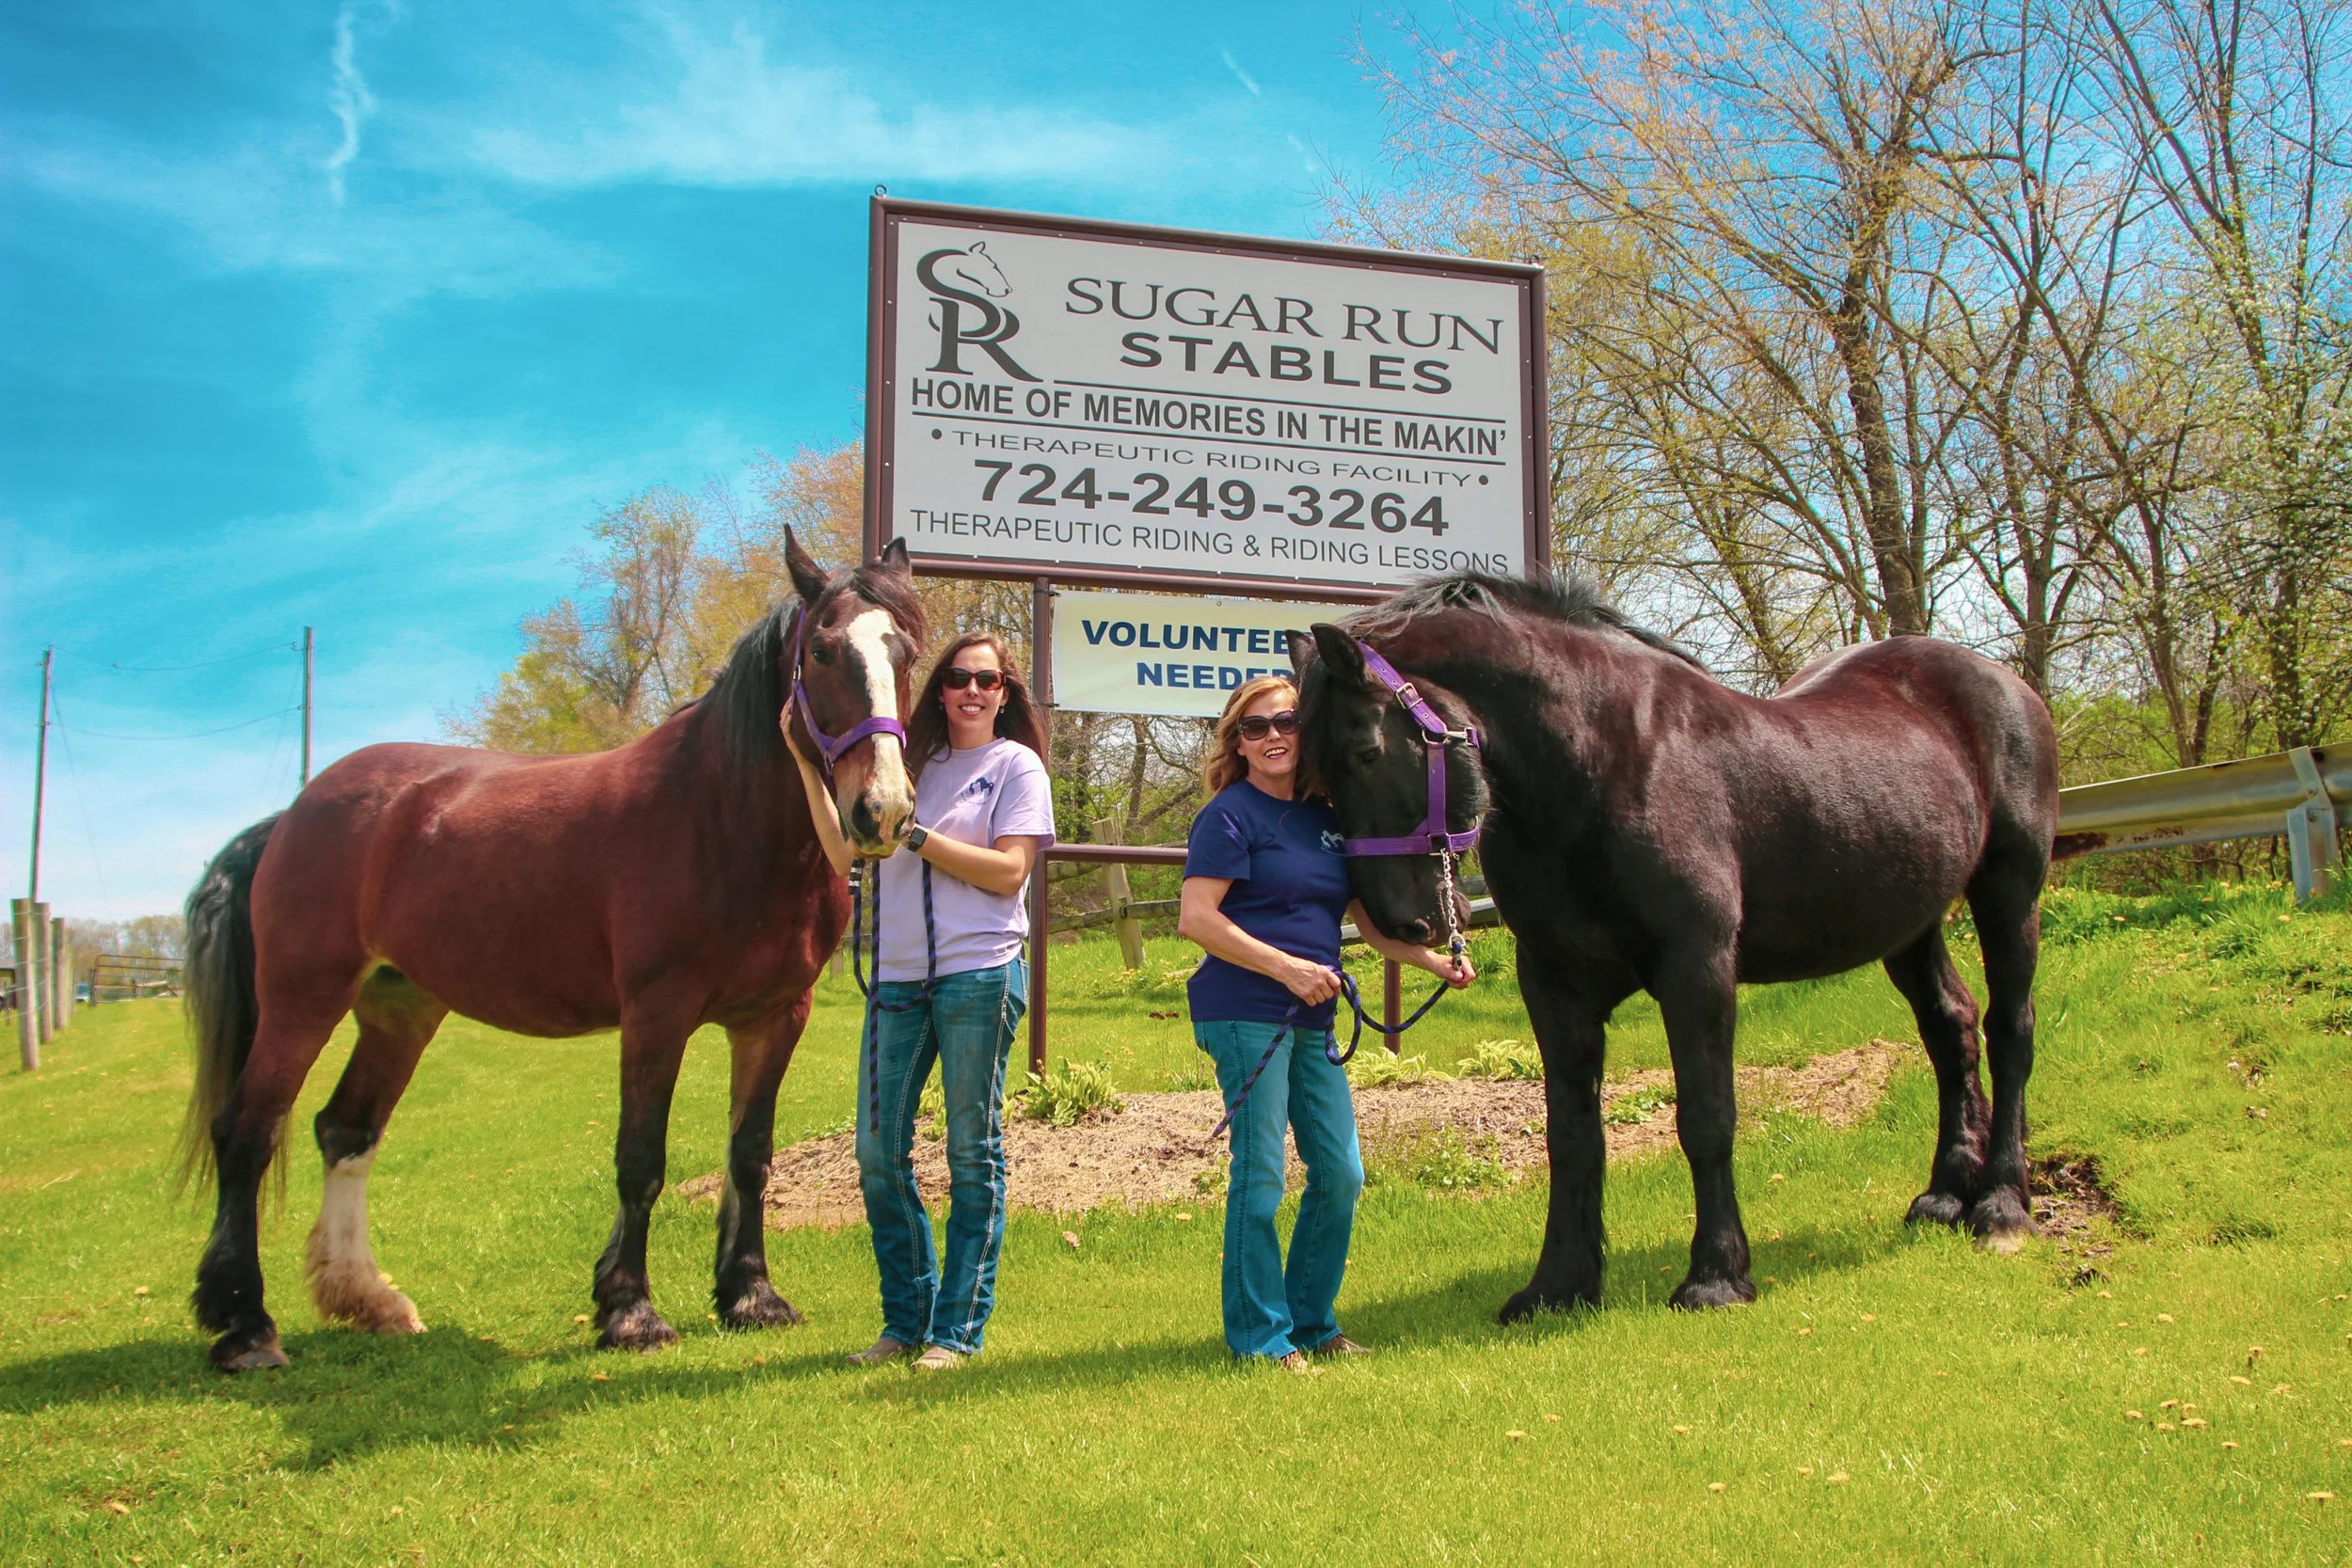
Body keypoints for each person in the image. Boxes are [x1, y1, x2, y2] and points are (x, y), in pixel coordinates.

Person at [1177, 674, 1474, 1370]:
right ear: (1238, 743)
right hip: (1245, 1011)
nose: (1274, 735)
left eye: (1286, 721)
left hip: (1312, 1011)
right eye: (1256, 728)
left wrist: (1435, 962)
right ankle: (1260, 1337)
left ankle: (1311, 1322)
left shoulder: (1327, 816)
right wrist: (1287, 968)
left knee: (1341, 1172)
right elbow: (1197, 918)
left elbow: (1368, 926)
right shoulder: (1228, 816)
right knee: (1261, 1176)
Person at [834, 632, 1055, 1370]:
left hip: (980, 975)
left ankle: (955, 1330)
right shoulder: (904, 766)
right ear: (937, 689)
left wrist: (918, 836)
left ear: (1004, 692)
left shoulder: (1015, 765)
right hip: (896, 976)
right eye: (957, 677)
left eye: (986, 679)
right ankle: (906, 1317)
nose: (970, 689)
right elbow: (843, 847)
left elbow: (1007, 872)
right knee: (876, 1153)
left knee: (971, 1151)